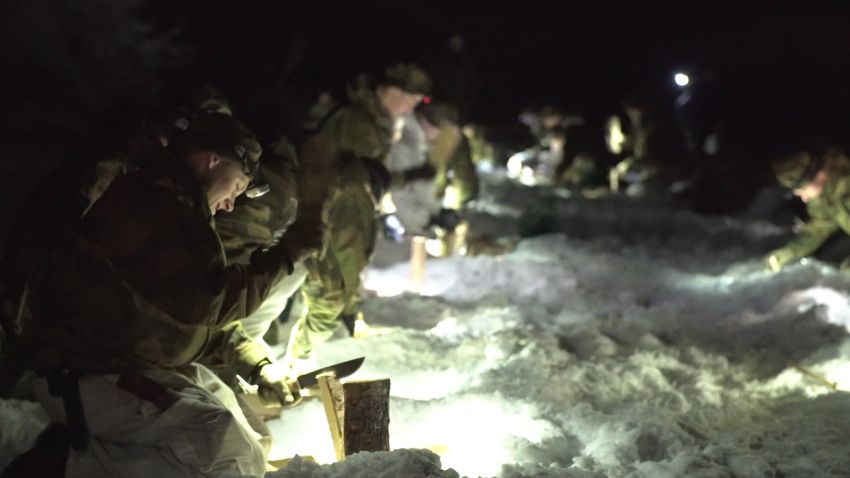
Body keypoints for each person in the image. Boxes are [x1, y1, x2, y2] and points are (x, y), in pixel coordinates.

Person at [8, 113, 318, 476]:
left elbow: (182, 320)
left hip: (123, 364)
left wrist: (257, 363)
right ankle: (67, 465)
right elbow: (206, 304)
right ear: (211, 160)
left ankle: (84, 456)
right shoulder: (153, 205)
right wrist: (283, 259)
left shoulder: (176, 208)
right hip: (86, 373)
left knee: (251, 441)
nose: (231, 204)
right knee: (221, 447)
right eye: (235, 187)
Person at [284, 63, 432, 364]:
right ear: (390, 90)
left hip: (353, 216)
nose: (409, 108)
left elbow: (372, 178)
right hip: (337, 218)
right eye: (410, 100)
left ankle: (335, 338)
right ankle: (305, 359)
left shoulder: (376, 121)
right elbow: (341, 179)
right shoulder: (354, 121)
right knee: (330, 286)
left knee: (344, 280)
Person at [766, 148, 850, 272]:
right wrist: (789, 252)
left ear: (820, 176)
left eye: (804, 190)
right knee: (827, 257)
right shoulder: (823, 193)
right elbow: (820, 226)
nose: (804, 198)